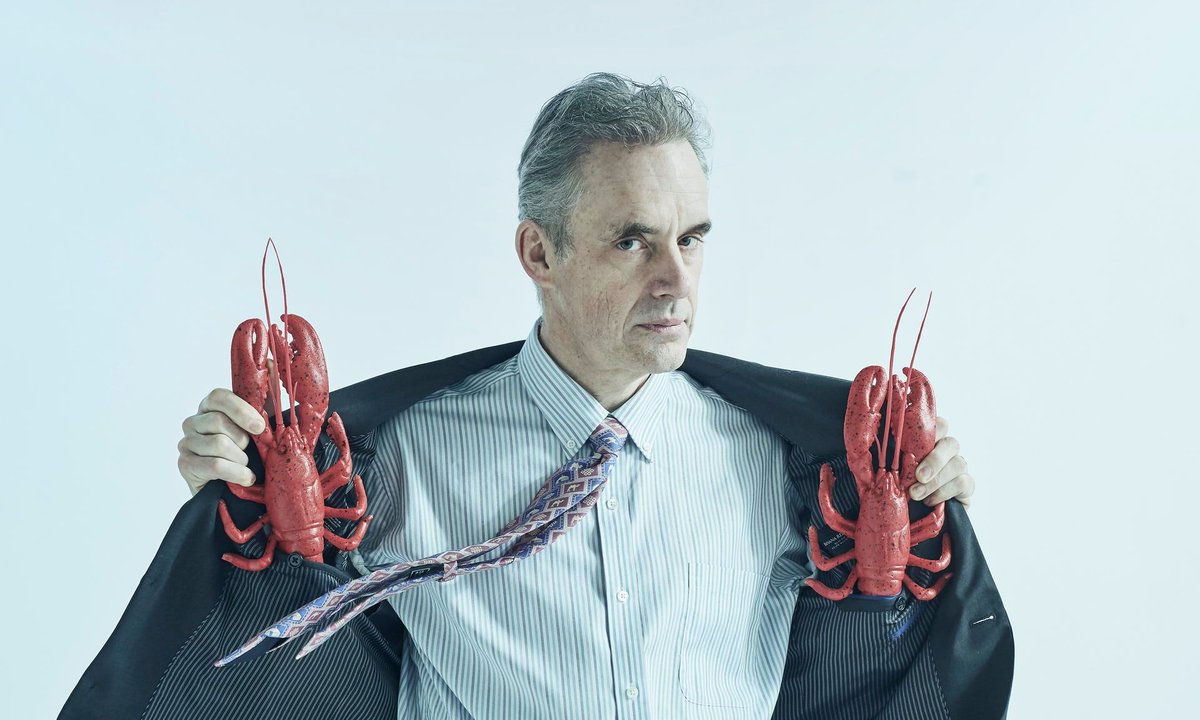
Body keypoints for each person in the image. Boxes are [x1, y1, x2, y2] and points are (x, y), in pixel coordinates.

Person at [172, 73, 984, 718]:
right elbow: (272, 620)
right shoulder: (401, 454)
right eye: (632, 241)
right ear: (539, 253)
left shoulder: (785, 459)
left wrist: (938, 503)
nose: (675, 281)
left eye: (691, 239)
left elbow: (883, 650)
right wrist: (226, 483)